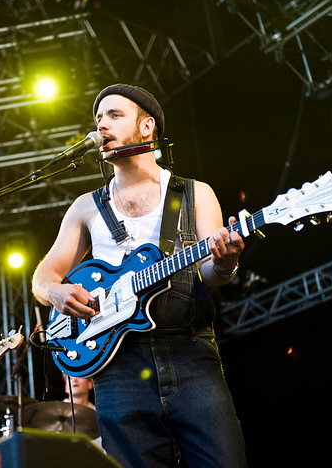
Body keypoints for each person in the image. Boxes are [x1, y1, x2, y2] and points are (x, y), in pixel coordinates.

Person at [32, 84, 247, 467]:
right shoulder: (86, 207)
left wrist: (226, 260)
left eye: (114, 115)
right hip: (119, 369)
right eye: (98, 119)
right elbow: (44, 274)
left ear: (147, 127)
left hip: (189, 351)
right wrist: (56, 292)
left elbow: (211, 275)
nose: (102, 125)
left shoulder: (196, 194)